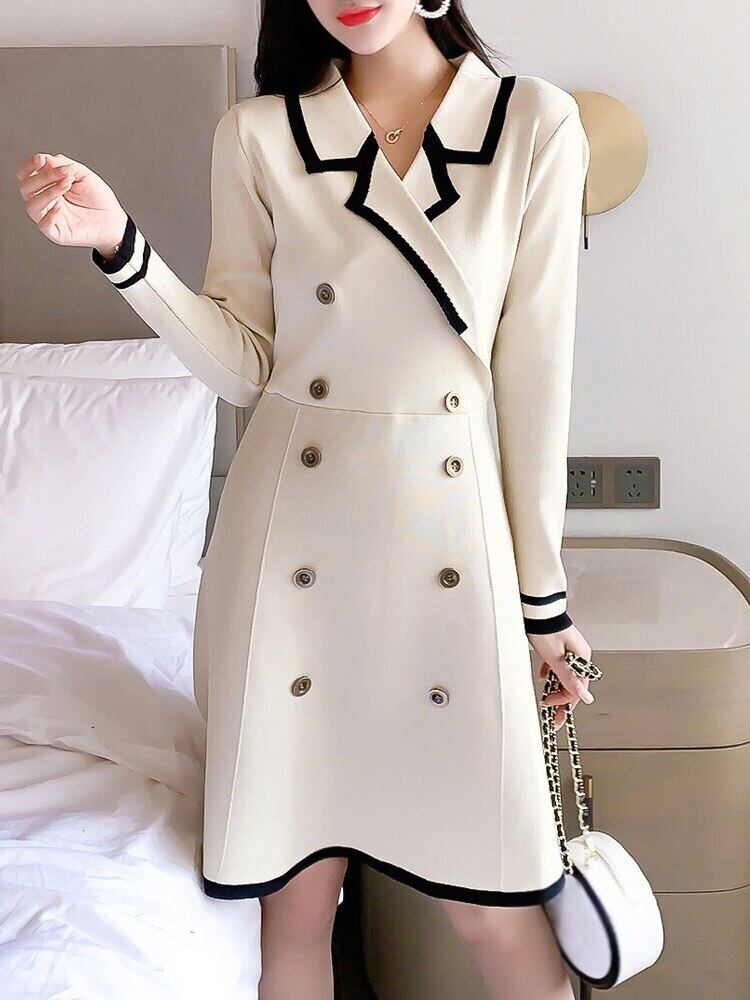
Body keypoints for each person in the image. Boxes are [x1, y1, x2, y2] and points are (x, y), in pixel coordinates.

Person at [16, 1, 595, 997]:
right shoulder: (260, 135)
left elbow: (537, 379)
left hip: (448, 554)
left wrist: (542, 604)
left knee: (496, 905)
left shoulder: (534, 124)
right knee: (295, 900)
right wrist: (123, 248)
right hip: (292, 555)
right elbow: (245, 366)